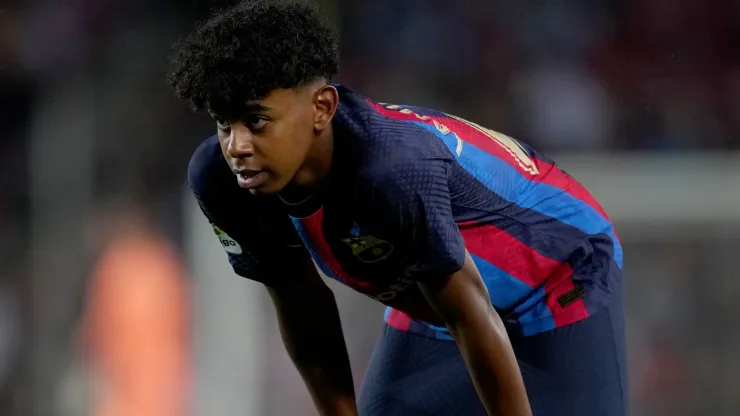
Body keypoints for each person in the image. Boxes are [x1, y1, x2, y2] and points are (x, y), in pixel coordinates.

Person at [167, 1, 628, 415]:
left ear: (322, 108)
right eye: (224, 124)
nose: (237, 146)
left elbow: (470, 314)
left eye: (256, 121)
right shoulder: (220, 180)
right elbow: (303, 307)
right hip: (437, 301)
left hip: (558, 278)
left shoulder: (390, 171)